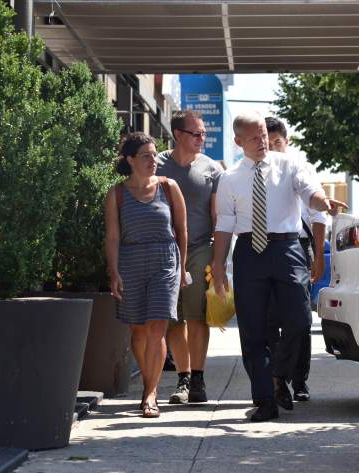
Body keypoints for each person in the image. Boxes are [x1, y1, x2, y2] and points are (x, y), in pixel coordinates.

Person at [212, 112, 347, 422]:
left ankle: (278, 374)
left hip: (287, 247)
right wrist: (219, 267)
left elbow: (309, 193)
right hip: (249, 252)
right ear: (238, 142)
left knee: (300, 320)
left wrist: (323, 202)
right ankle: (265, 401)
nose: (262, 142)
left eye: (264, 135)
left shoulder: (290, 165)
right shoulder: (230, 178)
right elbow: (224, 225)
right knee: (253, 330)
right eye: (255, 137)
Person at [104, 132, 188, 418]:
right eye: (146, 156)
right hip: (130, 262)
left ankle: (151, 393)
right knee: (138, 331)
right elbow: (113, 237)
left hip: (165, 260)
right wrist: (113, 271)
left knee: (156, 329)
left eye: (155, 154)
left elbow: (182, 232)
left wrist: (182, 267)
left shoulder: (169, 186)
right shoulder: (116, 194)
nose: (154, 160)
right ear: (130, 160)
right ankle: (148, 385)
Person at [156, 110, 223, 405]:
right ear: (178, 135)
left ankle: (198, 379)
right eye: (196, 134)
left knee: (196, 316)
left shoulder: (212, 169)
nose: (202, 139)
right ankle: (182, 379)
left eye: (204, 134)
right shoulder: (156, 164)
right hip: (163, 251)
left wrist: (220, 260)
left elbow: (218, 217)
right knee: (173, 320)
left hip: (199, 249)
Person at [265, 116, 327, 403]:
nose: (273, 147)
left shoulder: (301, 169)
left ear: (287, 142)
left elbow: (317, 216)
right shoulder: (256, 173)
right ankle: (277, 379)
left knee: (299, 319)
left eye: (278, 142)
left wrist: (318, 258)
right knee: (269, 318)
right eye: (267, 142)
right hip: (263, 249)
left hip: (299, 247)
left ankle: (299, 379)